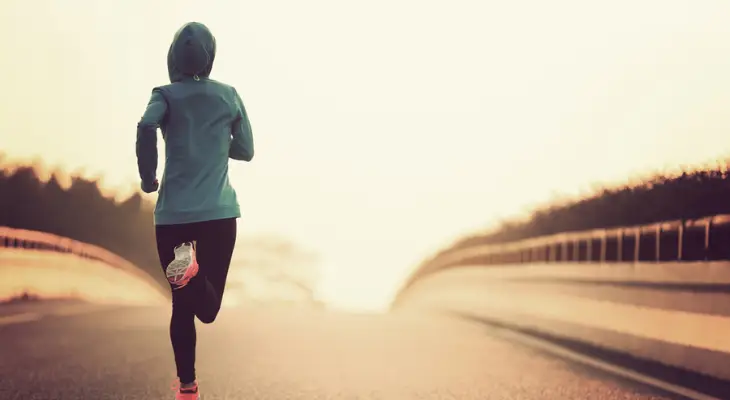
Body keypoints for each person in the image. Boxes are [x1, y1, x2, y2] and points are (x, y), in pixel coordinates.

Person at [135, 21, 254, 400]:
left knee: (181, 306)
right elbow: (247, 150)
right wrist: (217, 144)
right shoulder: (229, 96)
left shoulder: (165, 95)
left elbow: (145, 126)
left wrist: (148, 176)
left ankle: (187, 387)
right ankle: (195, 271)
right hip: (219, 214)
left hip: (173, 217)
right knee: (208, 307)